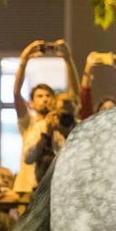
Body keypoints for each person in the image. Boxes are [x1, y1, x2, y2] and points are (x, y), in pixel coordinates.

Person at [14, 39, 80, 195]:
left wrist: (68, 59)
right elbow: (16, 94)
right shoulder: (29, 122)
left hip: (57, 188)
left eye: (48, 95)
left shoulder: (62, 121)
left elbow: (74, 97)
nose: (45, 99)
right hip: (27, 188)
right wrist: (24, 60)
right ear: (31, 102)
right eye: (39, 96)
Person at [25, 93, 78, 186]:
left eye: (69, 113)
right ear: (54, 111)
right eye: (62, 113)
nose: (66, 117)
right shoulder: (41, 127)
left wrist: (66, 134)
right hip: (45, 188)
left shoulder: (81, 128)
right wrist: (46, 135)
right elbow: (28, 158)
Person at [79, 51, 116, 119]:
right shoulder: (91, 126)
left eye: (112, 109)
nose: (107, 111)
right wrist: (88, 68)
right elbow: (85, 101)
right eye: (103, 109)